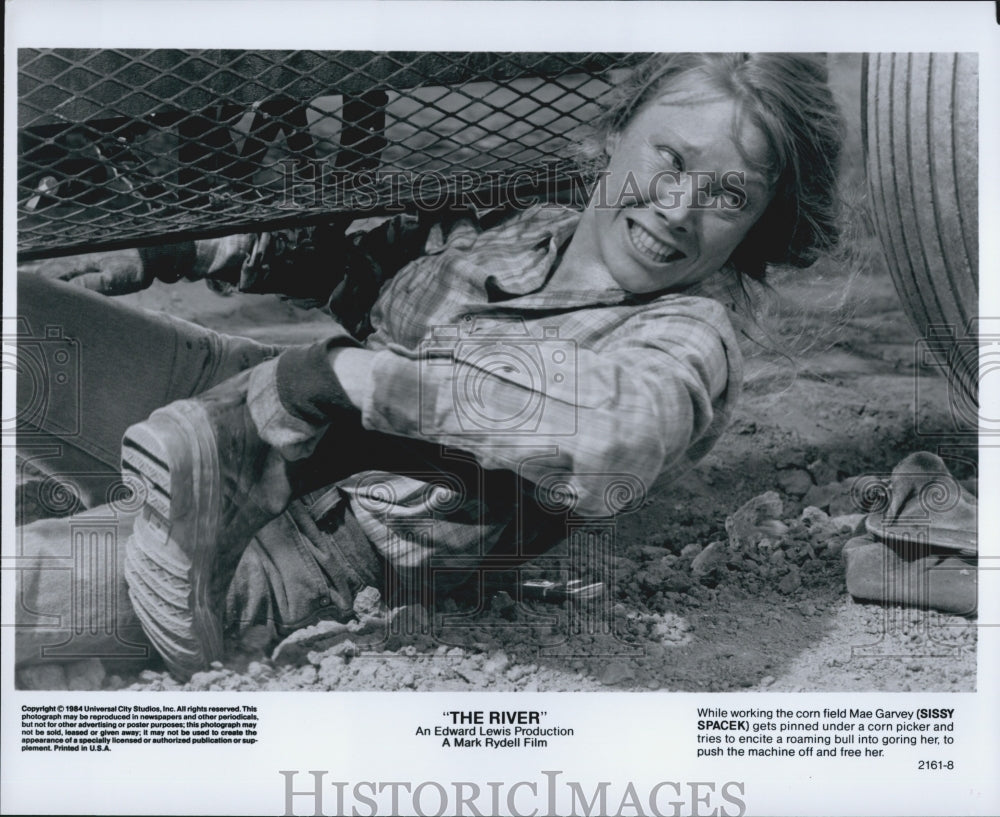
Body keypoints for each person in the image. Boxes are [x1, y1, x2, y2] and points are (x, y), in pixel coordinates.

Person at [15, 53, 844, 681]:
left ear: (758, 224)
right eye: (669, 159)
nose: (678, 208)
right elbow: (355, 260)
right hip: (228, 400)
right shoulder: (529, 229)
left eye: (728, 195)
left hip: (289, 548)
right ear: (614, 136)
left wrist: (359, 381)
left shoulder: (691, 337)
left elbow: (615, 435)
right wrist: (168, 248)